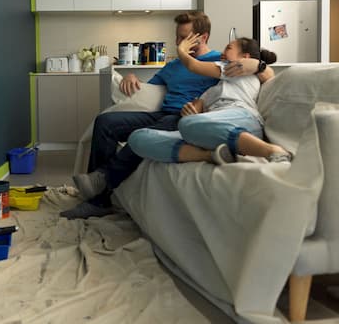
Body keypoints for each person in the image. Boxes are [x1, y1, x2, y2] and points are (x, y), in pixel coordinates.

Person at [60, 12, 274, 220]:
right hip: (162, 113)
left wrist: (257, 64)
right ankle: (97, 195)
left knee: (160, 127)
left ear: (203, 37)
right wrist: (131, 76)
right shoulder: (172, 66)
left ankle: (101, 191)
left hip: (183, 118)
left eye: (183, 37)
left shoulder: (220, 60)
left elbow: (264, 75)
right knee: (105, 122)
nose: (177, 41)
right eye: (177, 36)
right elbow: (148, 88)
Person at [127, 34, 292, 165]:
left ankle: (272, 150)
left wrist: (182, 51)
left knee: (187, 124)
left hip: (243, 119)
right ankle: (210, 155)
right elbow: (196, 107)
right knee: (138, 137)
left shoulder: (236, 69)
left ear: (245, 57)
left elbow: (193, 66)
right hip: (211, 128)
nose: (222, 51)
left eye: (228, 48)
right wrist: (191, 109)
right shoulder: (215, 88)